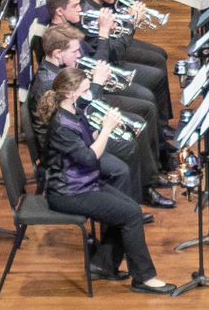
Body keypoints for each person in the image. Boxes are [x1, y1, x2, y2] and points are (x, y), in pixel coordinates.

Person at [35, 66, 180, 295]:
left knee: (131, 209)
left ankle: (103, 265)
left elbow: (86, 141)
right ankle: (144, 278)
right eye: (84, 90)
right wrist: (105, 130)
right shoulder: (62, 125)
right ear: (70, 93)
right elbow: (90, 157)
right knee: (131, 215)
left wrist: (107, 129)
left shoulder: (73, 111)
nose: (88, 94)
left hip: (83, 182)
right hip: (69, 193)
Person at [29, 24, 156, 205]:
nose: (79, 55)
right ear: (58, 53)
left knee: (131, 131)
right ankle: (126, 209)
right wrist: (96, 84)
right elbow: (70, 117)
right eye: (74, 51)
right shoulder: (49, 83)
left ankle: (137, 196)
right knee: (126, 149)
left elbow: (75, 112)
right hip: (65, 152)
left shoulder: (57, 71)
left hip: (77, 134)